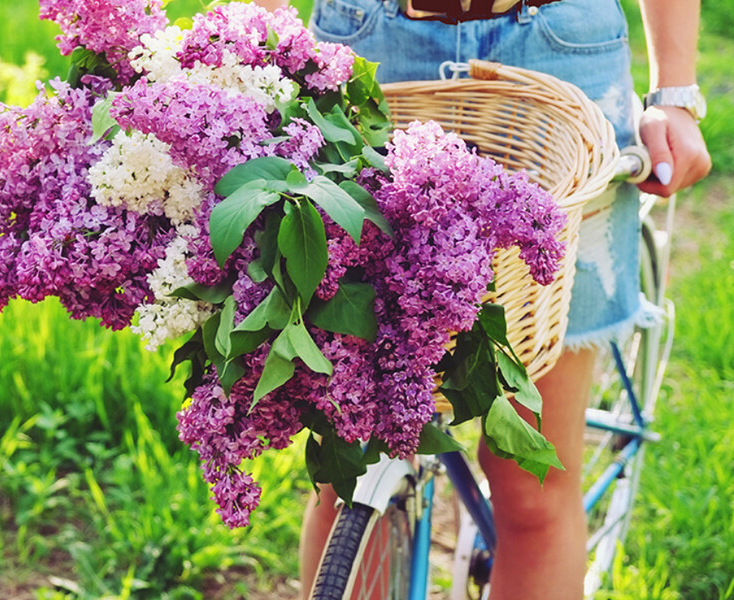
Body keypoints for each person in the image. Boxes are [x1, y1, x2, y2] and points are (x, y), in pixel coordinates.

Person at [252, 0, 712, 598]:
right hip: (369, 49)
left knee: (532, 488)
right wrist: (252, 54)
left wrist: (675, 91)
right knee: (349, 473)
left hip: (558, 58)